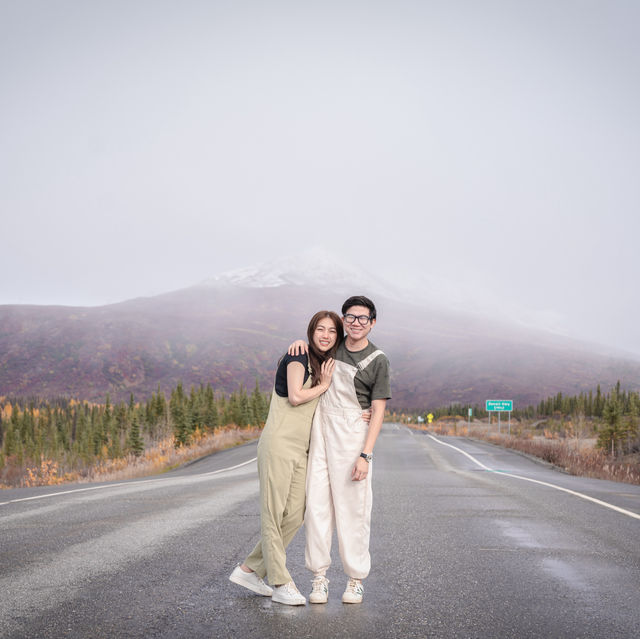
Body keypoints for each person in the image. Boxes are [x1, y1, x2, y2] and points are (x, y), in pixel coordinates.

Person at [229, 311, 346, 606]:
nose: (325, 335)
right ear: (310, 331)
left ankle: (249, 570)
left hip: (300, 450)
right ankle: (280, 581)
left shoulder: (323, 364)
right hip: (278, 444)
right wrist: (323, 386)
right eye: (320, 329)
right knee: (273, 513)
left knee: (295, 514)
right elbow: (295, 396)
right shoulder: (298, 356)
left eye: (332, 331)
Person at [288, 295, 391, 605]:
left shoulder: (378, 360)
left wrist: (365, 455)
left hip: (353, 436)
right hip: (321, 429)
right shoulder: (332, 346)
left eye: (362, 318)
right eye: (350, 317)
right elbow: (311, 344)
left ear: (372, 322)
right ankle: (319, 579)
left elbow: (378, 410)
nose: (355, 323)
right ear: (344, 319)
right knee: (317, 507)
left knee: (353, 509)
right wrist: (297, 343)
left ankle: (355, 579)